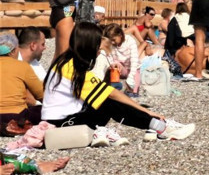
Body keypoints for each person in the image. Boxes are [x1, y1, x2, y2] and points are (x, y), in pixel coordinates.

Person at [41, 22, 195, 141]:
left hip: (64, 119)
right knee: (109, 103)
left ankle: (158, 126)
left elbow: (101, 89)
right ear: (88, 44)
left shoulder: (66, 61)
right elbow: (112, 93)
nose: (99, 50)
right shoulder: (71, 68)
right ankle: (161, 127)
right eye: (97, 45)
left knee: (105, 100)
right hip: (61, 124)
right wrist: (147, 111)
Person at [0, 34, 43, 131]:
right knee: (41, 110)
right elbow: (40, 94)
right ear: (14, 50)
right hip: (16, 117)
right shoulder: (22, 66)